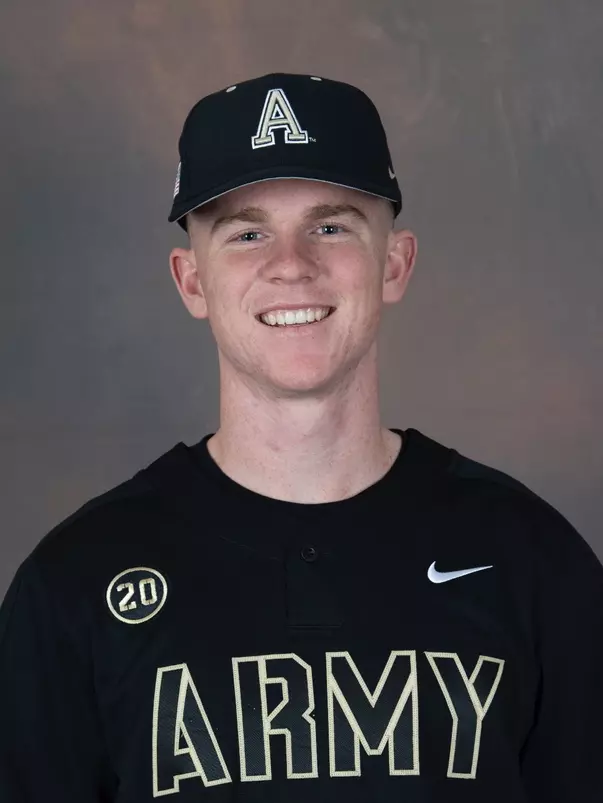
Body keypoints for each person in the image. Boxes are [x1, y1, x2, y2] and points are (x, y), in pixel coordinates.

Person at [0, 72, 601, 803]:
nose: (291, 264)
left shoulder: (530, 560)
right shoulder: (75, 584)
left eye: (330, 225)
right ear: (191, 281)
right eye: (247, 232)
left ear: (395, 263)